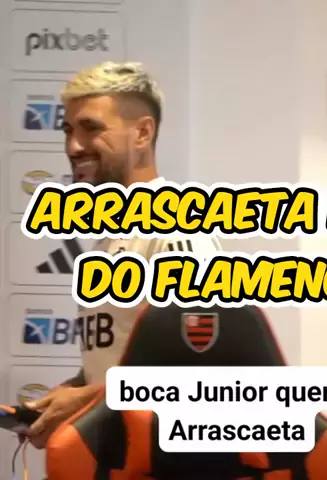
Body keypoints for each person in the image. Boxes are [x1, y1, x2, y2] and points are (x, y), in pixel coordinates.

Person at [23, 61, 221, 449]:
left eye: (91, 128)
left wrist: (84, 400)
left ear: (143, 132)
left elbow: (199, 371)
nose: (73, 147)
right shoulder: (113, 237)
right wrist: (72, 392)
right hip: (117, 460)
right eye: (69, 130)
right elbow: (127, 362)